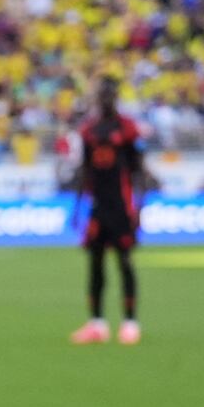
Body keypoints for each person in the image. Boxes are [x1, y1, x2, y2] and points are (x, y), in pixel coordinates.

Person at [69, 78, 149, 345]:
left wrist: (139, 205)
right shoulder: (89, 131)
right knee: (95, 263)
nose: (104, 100)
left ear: (115, 98)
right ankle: (97, 323)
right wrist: (78, 207)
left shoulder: (127, 129)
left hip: (121, 206)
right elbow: (84, 170)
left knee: (125, 262)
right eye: (100, 95)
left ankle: (130, 322)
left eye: (108, 95)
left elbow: (139, 170)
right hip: (98, 206)